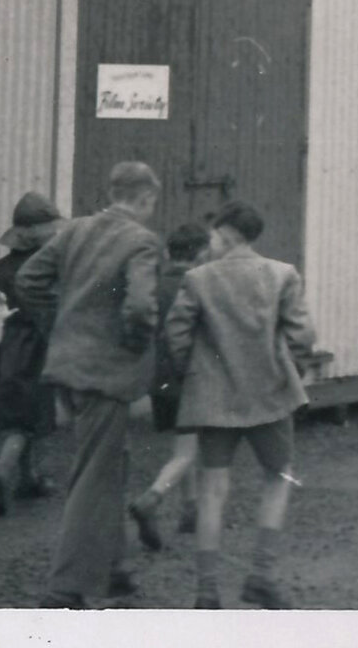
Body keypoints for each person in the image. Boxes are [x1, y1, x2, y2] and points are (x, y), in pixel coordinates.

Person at [18, 161, 163, 608]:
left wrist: (61, 323)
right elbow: (140, 308)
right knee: (94, 476)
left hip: (69, 366)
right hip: (107, 373)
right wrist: (134, 346)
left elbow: (29, 280)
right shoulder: (142, 241)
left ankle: (115, 569)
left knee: (108, 465)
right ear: (144, 199)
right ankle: (66, 587)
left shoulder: (76, 229)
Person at [165, 201, 318, 610]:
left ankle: (207, 591)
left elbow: (176, 334)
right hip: (269, 394)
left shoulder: (198, 279)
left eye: (214, 234)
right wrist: (293, 369)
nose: (211, 242)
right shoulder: (282, 274)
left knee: (213, 491)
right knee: (279, 477)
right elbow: (303, 336)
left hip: (213, 400)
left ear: (227, 234)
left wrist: (193, 375)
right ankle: (262, 576)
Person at [128, 221, 212, 550]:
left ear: (168, 252)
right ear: (203, 253)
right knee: (187, 452)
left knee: (183, 444)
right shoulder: (200, 285)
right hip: (189, 376)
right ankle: (151, 499)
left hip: (159, 378)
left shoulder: (156, 284)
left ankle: (190, 509)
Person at [0, 192, 65, 515]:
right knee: (28, 419)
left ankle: (28, 478)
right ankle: (1, 474)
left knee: (21, 414)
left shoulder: (0, 268)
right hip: (36, 346)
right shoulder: (46, 266)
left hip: (7, 346)